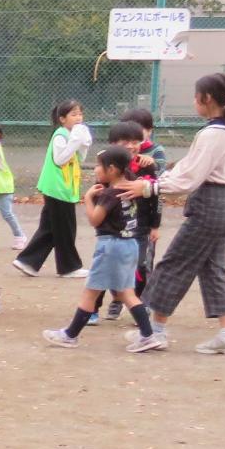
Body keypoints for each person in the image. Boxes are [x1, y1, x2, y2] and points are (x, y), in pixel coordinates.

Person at [144, 72, 225, 355]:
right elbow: (187, 168)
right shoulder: (219, 131)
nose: (193, 100)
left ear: (207, 98)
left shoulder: (212, 134)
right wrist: (159, 181)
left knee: (174, 264)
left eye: (195, 95)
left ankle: (155, 331)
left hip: (210, 207)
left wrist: (150, 187)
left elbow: (189, 178)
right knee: (214, 269)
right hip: (223, 205)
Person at [41, 147, 163, 351]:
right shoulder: (131, 186)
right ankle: (148, 335)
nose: (96, 169)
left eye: (99, 165)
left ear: (113, 169)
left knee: (91, 292)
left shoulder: (109, 194)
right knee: (127, 293)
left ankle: (70, 335)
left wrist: (88, 198)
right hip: (130, 244)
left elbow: (94, 219)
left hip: (111, 246)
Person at [13, 100, 91, 278]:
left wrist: (83, 144)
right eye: (73, 114)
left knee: (50, 228)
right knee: (65, 229)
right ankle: (69, 267)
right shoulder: (60, 135)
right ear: (62, 119)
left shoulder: (70, 135)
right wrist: (76, 141)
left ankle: (27, 262)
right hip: (57, 188)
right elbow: (60, 159)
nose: (78, 118)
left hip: (65, 189)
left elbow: (79, 158)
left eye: (80, 113)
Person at [115, 108, 168, 319]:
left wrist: (151, 164)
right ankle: (118, 299)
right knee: (118, 260)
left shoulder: (155, 152)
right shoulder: (119, 154)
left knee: (144, 262)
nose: (131, 141)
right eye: (126, 137)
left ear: (150, 130)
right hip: (122, 218)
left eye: (141, 130)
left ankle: (143, 303)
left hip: (146, 218)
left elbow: (161, 182)